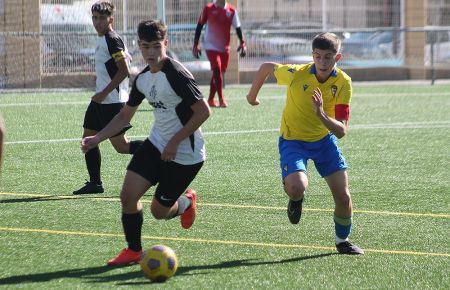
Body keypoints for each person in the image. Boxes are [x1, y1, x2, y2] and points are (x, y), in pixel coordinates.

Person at [81, 20, 211, 266]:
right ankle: (133, 251)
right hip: (156, 144)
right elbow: (124, 116)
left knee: (158, 212)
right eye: (145, 46)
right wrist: (97, 138)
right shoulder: (142, 79)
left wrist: (175, 141)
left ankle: (185, 202)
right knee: (128, 196)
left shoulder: (177, 74)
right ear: (139, 46)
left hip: (186, 153)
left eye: (156, 46)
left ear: (166, 44)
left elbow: (203, 112)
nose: (151, 52)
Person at [246, 32, 364, 255]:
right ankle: (296, 199)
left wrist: (321, 115)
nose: (322, 62)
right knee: (296, 186)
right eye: (318, 56)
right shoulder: (297, 73)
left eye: (328, 57)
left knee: (343, 196)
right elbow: (265, 67)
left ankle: (342, 241)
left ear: (337, 58)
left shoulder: (343, 83)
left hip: (324, 142)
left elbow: (341, 131)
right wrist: (252, 96)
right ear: (312, 55)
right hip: (293, 140)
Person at [73, 1, 143, 195]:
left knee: (122, 146)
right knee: (88, 138)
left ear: (111, 19)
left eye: (102, 18)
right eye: (94, 18)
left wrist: (104, 92)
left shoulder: (112, 38)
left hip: (112, 102)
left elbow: (124, 71)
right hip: (100, 101)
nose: (97, 22)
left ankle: (159, 151)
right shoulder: (103, 38)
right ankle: (95, 183)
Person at [192, 0, 247, 108]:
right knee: (217, 69)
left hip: (224, 48)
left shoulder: (232, 10)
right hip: (210, 46)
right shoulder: (208, 8)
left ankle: (211, 100)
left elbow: (238, 28)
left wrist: (242, 43)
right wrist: (195, 44)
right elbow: (199, 25)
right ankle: (221, 99)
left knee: (219, 73)